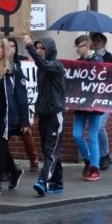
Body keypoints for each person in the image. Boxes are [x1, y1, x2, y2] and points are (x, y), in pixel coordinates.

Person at [0, 38, 29, 196]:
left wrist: (24, 120)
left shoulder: (13, 70)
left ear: (4, 51)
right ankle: (14, 172)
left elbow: (22, 96)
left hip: (7, 115)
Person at [23, 35, 66, 196]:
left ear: (50, 50)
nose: (40, 51)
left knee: (51, 150)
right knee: (50, 150)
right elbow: (40, 93)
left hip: (56, 114)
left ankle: (43, 181)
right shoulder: (42, 69)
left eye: (42, 48)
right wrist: (35, 113)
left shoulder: (56, 66)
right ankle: (57, 182)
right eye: (38, 48)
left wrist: (29, 47)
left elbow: (43, 63)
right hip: (44, 114)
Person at [73, 34, 103, 181]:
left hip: (95, 106)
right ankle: (88, 159)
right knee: (77, 134)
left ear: (86, 45)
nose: (76, 49)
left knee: (92, 137)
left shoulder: (98, 61)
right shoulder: (78, 63)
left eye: (79, 46)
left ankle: (95, 167)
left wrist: (94, 101)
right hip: (80, 105)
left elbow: (101, 83)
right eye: (76, 46)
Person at [8, 38, 39, 171]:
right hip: (8, 106)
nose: (11, 49)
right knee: (2, 138)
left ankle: (34, 159)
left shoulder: (23, 61)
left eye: (13, 46)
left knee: (26, 135)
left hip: (20, 106)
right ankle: (4, 163)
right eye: (8, 46)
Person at [90, 32, 112, 170]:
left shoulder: (110, 58)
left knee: (100, 127)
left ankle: (105, 155)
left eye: (99, 40)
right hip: (92, 99)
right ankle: (96, 157)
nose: (96, 41)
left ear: (104, 42)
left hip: (106, 98)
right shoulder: (88, 57)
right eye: (94, 39)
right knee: (93, 129)